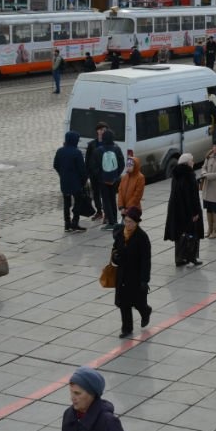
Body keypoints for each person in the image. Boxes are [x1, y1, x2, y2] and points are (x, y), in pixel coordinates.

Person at [62, 366, 130, 431]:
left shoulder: (109, 423)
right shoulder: (69, 416)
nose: (72, 398)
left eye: (77, 393)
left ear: (92, 394)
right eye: (71, 392)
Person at [111, 207, 151, 337]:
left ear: (137, 222)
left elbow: (146, 260)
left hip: (136, 275)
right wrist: (115, 258)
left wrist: (144, 280)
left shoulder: (142, 237)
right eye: (126, 221)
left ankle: (145, 311)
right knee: (124, 302)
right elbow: (115, 249)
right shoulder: (120, 234)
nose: (127, 224)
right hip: (123, 274)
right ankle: (126, 328)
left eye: (130, 222)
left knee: (138, 301)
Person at [164, 153, 203, 266]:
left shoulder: (176, 174)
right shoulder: (189, 175)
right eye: (191, 160)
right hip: (188, 210)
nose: (193, 162)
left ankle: (179, 258)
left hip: (176, 210)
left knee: (179, 234)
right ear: (186, 163)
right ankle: (192, 257)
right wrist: (195, 213)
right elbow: (192, 197)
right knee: (193, 232)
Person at [54, 131, 89, 233]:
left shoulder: (60, 151)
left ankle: (67, 224)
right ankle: (75, 222)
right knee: (78, 202)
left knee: (66, 203)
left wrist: (62, 174)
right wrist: (84, 181)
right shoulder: (76, 152)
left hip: (64, 181)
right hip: (76, 182)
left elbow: (55, 165)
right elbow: (82, 170)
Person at [97, 129, 126, 231]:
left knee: (106, 201)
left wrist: (101, 177)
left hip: (103, 180)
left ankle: (111, 222)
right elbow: (122, 164)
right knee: (113, 199)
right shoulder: (117, 149)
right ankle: (114, 219)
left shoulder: (99, 150)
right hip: (114, 179)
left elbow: (95, 167)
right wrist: (116, 175)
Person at [85, 122, 108, 223]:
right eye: (100, 130)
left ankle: (107, 213)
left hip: (104, 174)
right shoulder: (92, 144)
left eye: (104, 130)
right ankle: (99, 211)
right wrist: (87, 173)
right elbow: (88, 159)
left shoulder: (108, 143)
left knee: (105, 194)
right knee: (96, 194)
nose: (102, 132)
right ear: (97, 131)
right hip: (94, 174)